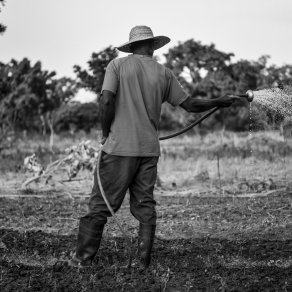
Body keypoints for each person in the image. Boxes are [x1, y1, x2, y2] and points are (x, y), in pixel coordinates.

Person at [69, 25, 239, 268]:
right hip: (148, 151)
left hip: (118, 148)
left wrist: (105, 133)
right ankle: (142, 263)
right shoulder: (164, 73)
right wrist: (219, 102)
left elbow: (106, 99)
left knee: (100, 205)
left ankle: (81, 260)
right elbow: (189, 105)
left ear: (131, 47)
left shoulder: (116, 66)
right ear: (152, 46)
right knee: (145, 206)